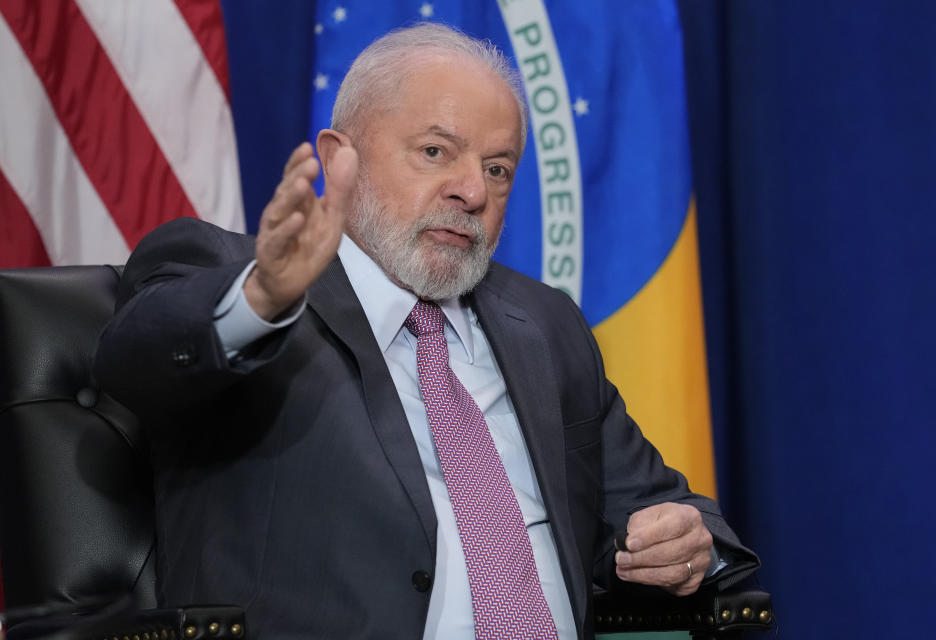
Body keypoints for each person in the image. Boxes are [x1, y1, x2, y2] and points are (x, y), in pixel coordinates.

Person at [94, 22, 758, 640]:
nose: (471, 190)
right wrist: (261, 299)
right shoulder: (236, 279)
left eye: (498, 169)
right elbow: (134, 365)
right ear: (340, 157)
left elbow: (664, 509)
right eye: (436, 151)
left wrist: (687, 540)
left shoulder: (545, 324)